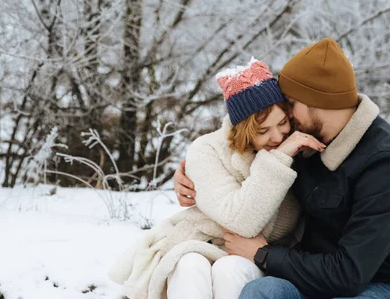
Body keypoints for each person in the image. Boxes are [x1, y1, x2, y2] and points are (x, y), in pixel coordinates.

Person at [174, 38, 390, 299]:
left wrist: (263, 254)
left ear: (316, 101)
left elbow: (350, 274)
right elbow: (248, 135)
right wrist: (193, 172)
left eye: (290, 103)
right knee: (261, 293)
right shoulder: (304, 137)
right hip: (317, 277)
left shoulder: (386, 163)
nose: (287, 114)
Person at [108, 59, 325, 299]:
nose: (277, 136)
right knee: (188, 265)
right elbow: (241, 221)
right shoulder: (208, 149)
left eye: (282, 122)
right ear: (242, 129)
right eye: (262, 131)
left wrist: (285, 154)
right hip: (203, 242)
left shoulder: (302, 146)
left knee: (229, 269)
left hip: (263, 255)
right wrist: (279, 159)